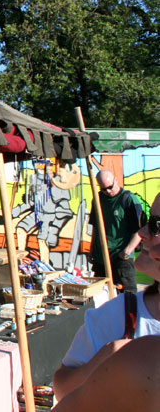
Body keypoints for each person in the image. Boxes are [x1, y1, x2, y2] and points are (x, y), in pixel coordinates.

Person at [53, 191, 160, 401]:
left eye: (157, 225)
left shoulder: (127, 199)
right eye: (146, 221)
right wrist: (106, 359)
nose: (143, 232)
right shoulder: (118, 315)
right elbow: (62, 389)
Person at [88, 169, 143, 293]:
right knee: (100, 296)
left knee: (127, 297)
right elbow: (96, 227)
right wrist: (92, 250)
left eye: (110, 187)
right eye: (103, 189)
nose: (107, 191)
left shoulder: (128, 199)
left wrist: (128, 250)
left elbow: (139, 230)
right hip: (101, 257)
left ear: (115, 180)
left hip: (121, 257)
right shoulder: (98, 199)